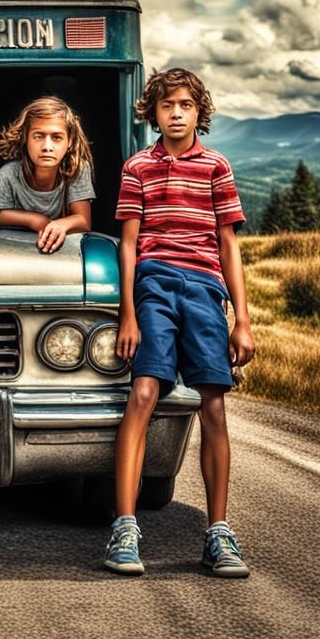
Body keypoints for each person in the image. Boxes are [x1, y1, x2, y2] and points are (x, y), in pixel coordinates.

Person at [103, 67, 255, 578]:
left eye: (185, 105)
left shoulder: (216, 167)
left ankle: (218, 534)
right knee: (143, 392)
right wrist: (128, 313)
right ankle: (125, 529)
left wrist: (242, 320)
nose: (176, 114)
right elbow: (128, 245)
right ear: (153, 112)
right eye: (166, 105)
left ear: (198, 112)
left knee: (213, 404)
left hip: (206, 288)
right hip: (155, 285)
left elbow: (228, 246)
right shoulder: (137, 168)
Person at [0, 95, 94, 253]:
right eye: (38, 136)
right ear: (25, 138)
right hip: (14, 249)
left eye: (57, 137)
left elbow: (84, 221)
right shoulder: (10, 173)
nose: (47, 147)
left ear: (70, 141)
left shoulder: (76, 169)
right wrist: (37, 220)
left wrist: (59, 225)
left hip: (62, 252)